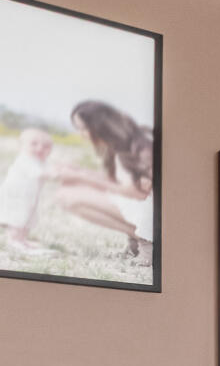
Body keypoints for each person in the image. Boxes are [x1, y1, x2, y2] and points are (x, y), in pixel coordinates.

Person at [57, 100, 155, 262]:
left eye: (84, 128)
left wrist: (82, 177)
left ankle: (147, 241)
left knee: (67, 197)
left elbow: (135, 192)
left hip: (155, 215)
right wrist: (80, 172)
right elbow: (118, 183)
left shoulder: (140, 146)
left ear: (100, 126)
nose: (82, 134)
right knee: (68, 193)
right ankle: (138, 241)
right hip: (150, 211)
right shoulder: (126, 143)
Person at [0, 127, 54, 255]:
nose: (40, 148)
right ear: (22, 146)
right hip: (16, 196)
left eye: (46, 146)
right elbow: (39, 173)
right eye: (34, 144)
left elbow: (48, 169)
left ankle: (22, 239)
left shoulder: (40, 161)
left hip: (28, 196)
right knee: (17, 218)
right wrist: (54, 174)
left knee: (28, 218)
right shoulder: (24, 160)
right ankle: (13, 240)